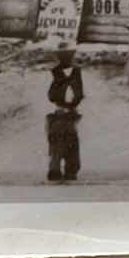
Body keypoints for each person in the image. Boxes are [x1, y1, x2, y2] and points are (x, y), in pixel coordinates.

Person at [45, 45, 85, 182]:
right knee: (69, 146)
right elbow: (77, 96)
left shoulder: (61, 76)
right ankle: (67, 171)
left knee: (60, 147)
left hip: (61, 118)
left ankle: (61, 171)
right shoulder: (73, 75)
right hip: (65, 118)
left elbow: (52, 96)